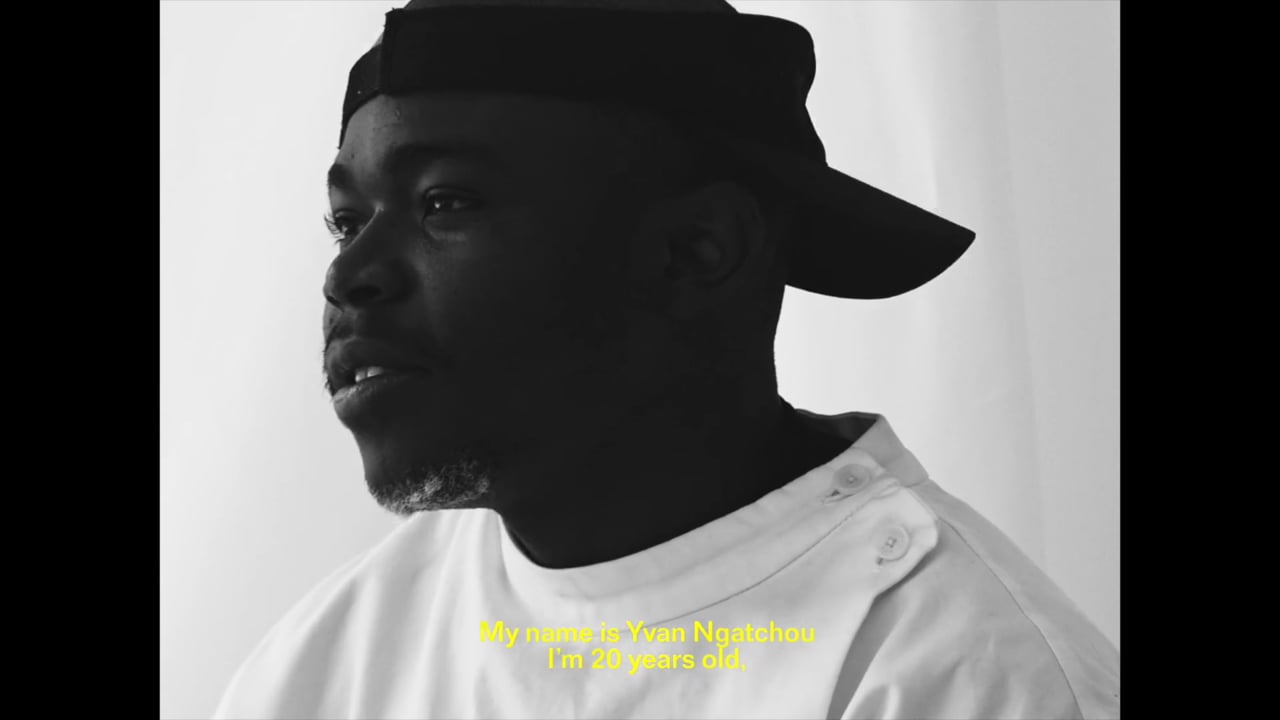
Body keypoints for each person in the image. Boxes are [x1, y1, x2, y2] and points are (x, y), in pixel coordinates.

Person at [214, 0, 1120, 718]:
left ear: (698, 250)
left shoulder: (961, 677)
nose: (350, 276)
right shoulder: (330, 664)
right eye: (346, 221)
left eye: (444, 202)